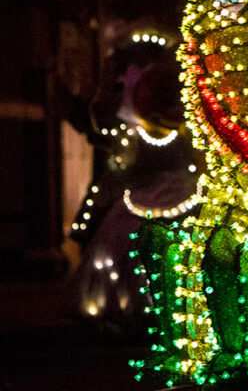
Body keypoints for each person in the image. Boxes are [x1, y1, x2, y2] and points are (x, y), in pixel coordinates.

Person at [66, 34, 201, 332]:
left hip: (172, 200)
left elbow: (119, 171)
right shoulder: (153, 137)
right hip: (150, 203)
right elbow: (119, 169)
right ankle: (145, 309)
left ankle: (154, 308)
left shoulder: (182, 136)